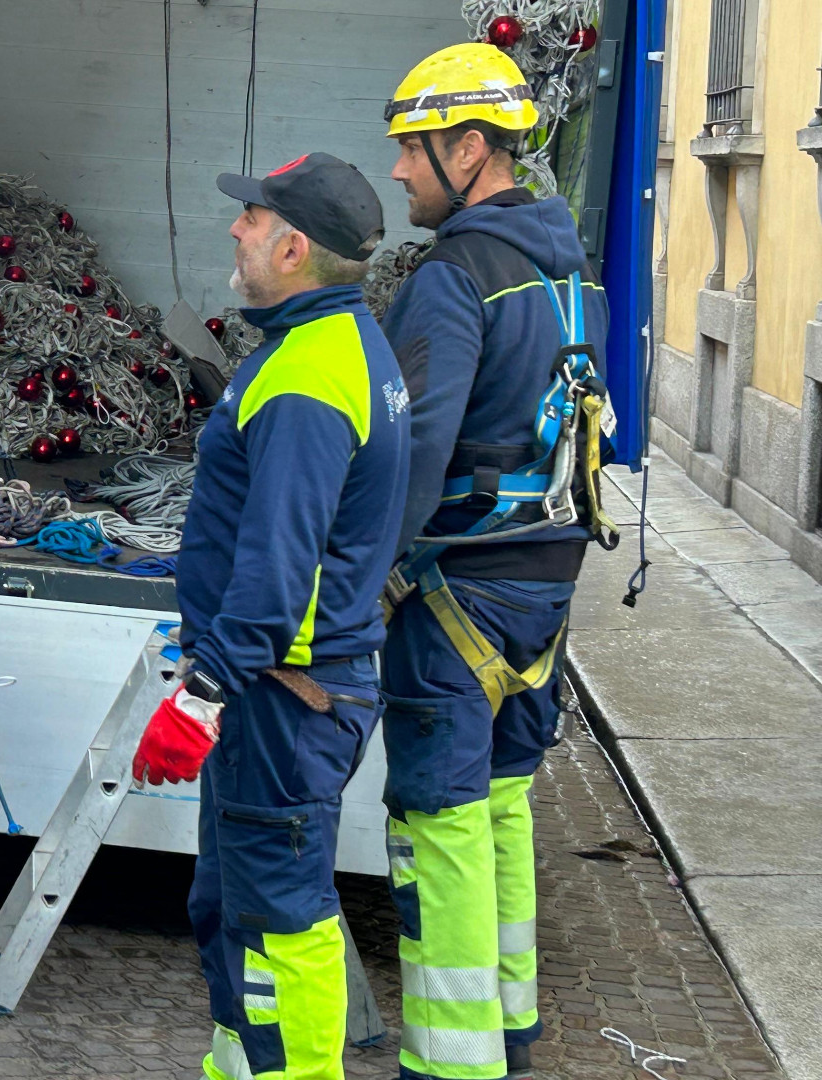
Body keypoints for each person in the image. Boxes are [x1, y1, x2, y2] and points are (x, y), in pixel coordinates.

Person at [134, 152, 410, 1080]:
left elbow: (280, 560)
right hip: (289, 692)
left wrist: (208, 687)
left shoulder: (306, 379)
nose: (235, 230)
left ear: (293, 247)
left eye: (250, 219)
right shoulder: (337, 347)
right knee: (240, 902)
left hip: (284, 699)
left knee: (278, 913)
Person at [376, 42, 615, 1080]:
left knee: (438, 823)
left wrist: (359, 577)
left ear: (471, 149)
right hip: (544, 588)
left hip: (456, 590)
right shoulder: (571, 267)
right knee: (505, 796)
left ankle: (455, 1063)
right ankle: (510, 1028)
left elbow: (415, 448)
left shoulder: (456, 277)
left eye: (412, 150)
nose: (398, 172)